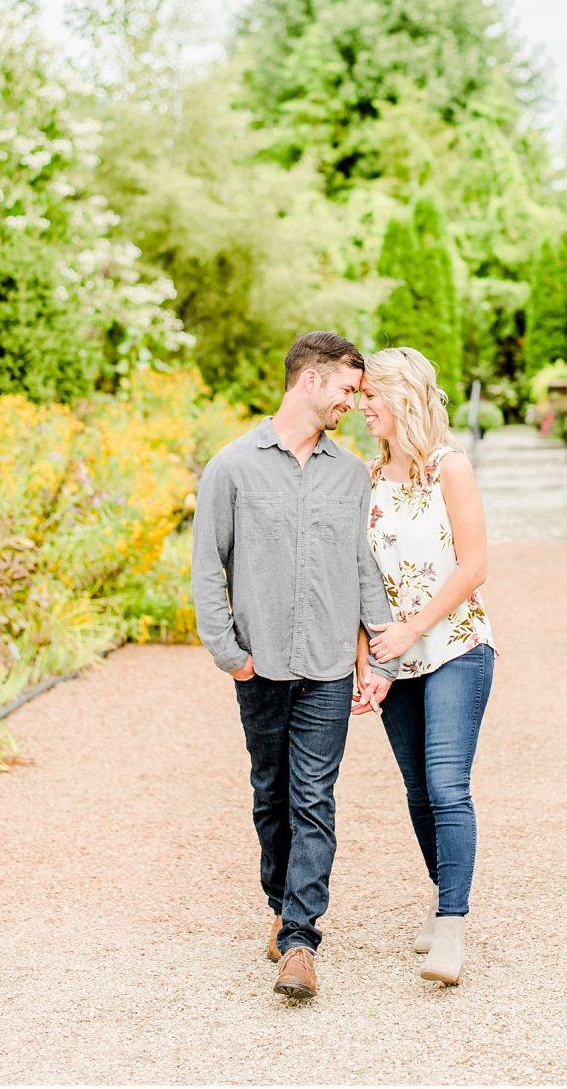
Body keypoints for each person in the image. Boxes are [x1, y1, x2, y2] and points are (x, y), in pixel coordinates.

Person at [191, 331, 396, 1002]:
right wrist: (231, 655)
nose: (350, 402)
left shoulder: (348, 474)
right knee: (271, 795)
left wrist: (378, 650)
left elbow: (363, 568)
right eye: (345, 389)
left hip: (329, 668)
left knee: (314, 798)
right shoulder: (231, 467)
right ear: (309, 381)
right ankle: (280, 905)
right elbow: (205, 569)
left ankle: (302, 939)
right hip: (262, 665)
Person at [352, 346, 496, 986]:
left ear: (402, 396)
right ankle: (442, 903)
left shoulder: (449, 468)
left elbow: (474, 566)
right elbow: (360, 578)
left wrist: (413, 627)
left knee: (445, 784)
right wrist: (370, 661)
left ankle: (453, 930)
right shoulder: (367, 477)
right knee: (416, 791)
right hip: (395, 659)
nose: (361, 408)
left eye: (370, 397)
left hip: (457, 646)